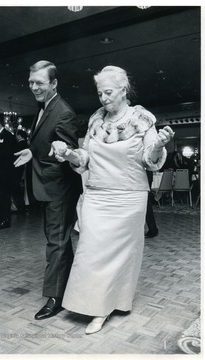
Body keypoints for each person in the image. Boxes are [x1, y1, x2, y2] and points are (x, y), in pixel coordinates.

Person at [49, 65, 174, 335]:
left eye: (108, 92)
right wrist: (69, 154)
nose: (103, 98)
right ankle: (92, 302)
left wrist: (161, 144)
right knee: (90, 251)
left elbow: (150, 161)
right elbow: (85, 159)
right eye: (99, 93)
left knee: (120, 257)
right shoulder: (96, 119)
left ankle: (106, 307)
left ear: (123, 90)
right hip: (96, 195)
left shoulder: (141, 118)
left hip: (129, 198)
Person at [14, 60, 82, 320]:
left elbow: (66, 153)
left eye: (39, 83)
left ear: (54, 84)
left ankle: (57, 299)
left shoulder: (63, 112)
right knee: (60, 242)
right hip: (49, 187)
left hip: (59, 189)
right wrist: (33, 150)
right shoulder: (44, 107)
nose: (33, 87)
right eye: (31, 82)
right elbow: (46, 142)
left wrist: (57, 154)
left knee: (56, 243)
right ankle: (68, 287)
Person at [145, 170, 158, 238]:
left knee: (146, 204)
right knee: (147, 204)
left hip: (144, 178)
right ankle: (152, 229)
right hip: (146, 176)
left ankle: (152, 229)